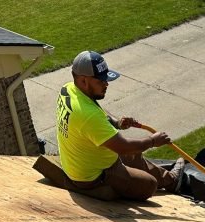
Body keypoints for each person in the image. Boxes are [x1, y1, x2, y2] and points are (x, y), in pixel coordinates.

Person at [55, 50, 185, 201]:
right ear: (84, 80)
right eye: (101, 81)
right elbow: (123, 147)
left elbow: (98, 114)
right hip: (94, 175)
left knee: (134, 152)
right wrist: (153, 141)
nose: (106, 84)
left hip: (82, 162)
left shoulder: (69, 89)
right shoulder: (87, 115)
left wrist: (116, 123)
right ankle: (105, 190)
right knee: (149, 185)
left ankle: (171, 181)